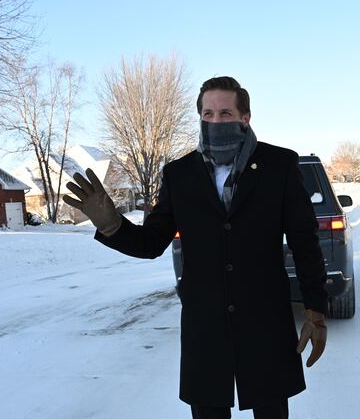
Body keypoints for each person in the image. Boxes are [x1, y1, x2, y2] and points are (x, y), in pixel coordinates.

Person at [63, 76, 328, 419]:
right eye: (208, 114)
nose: (215, 121)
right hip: (206, 324)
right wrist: (112, 224)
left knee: (271, 410)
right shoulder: (180, 174)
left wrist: (315, 311)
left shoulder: (278, 166)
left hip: (265, 320)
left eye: (225, 113)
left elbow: (305, 243)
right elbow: (151, 243)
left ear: (245, 117)